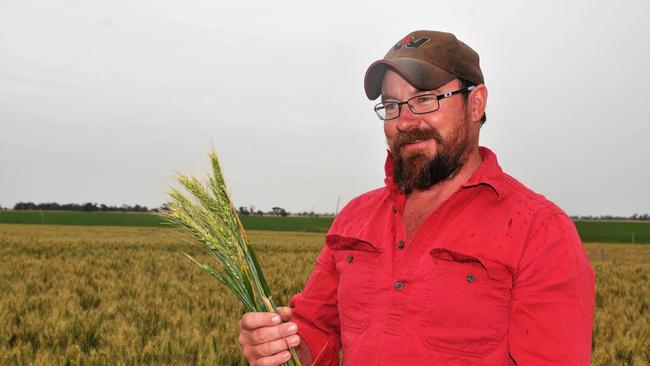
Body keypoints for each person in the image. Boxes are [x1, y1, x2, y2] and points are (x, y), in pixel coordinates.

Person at [237, 30, 595, 366]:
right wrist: (281, 346)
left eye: (425, 99)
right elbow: (318, 332)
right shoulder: (354, 218)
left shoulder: (540, 231)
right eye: (391, 105)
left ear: (476, 103)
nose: (405, 121)